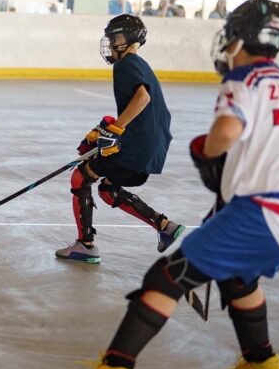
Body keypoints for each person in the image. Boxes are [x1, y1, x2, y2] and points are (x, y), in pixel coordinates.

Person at [67, 0, 279, 369]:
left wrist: (205, 151)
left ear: (242, 39)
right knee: (239, 279)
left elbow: (222, 137)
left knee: (165, 279)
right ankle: (263, 362)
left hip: (262, 212)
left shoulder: (245, 81)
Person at [55, 15, 184, 264]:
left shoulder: (125, 65)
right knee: (108, 189)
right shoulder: (139, 64)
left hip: (138, 146)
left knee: (80, 177)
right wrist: (109, 128)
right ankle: (165, 226)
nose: (112, 42)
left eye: (117, 37)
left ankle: (85, 245)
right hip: (150, 147)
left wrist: (115, 131)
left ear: (130, 40)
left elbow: (142, 98)